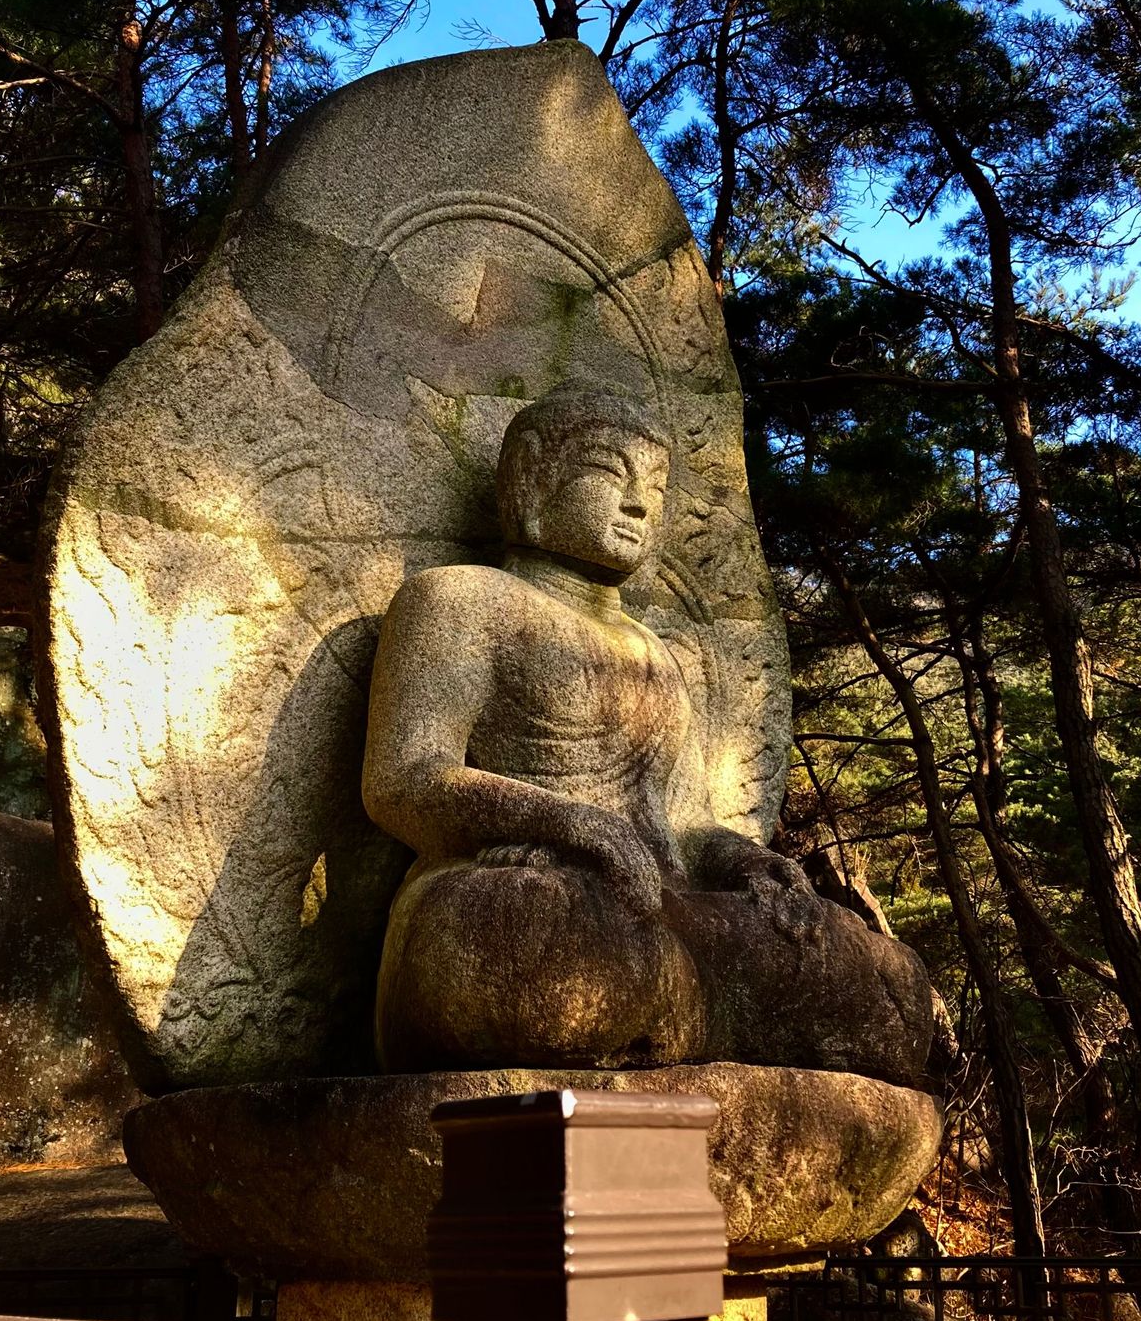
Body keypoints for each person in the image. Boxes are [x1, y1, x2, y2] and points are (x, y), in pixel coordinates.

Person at [362, 386, 932, 1082]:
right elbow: (403, 780)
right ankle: (685, 1006)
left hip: (668, 911)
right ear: (533, 475)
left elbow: (685, 824)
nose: (639, 505)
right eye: (610, 473)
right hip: (533, 893)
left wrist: (746, 861)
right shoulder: (462, 601)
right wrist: (568, 824)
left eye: (656, 488)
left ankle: (679, 1004)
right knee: (533, 939)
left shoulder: (656, 654)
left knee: (885, 985)